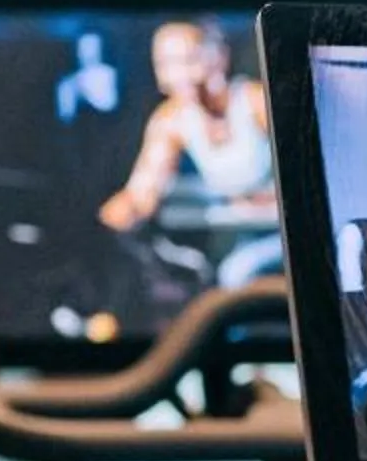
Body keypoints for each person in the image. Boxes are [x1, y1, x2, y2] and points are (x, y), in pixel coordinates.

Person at [97, 19, 281, 284]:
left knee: (236, 274)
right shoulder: (171, 118)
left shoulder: (255, 101)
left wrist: (266, 200)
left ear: (219, 57)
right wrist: (106, 224)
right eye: (166, 64)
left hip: (282, 233)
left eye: (188, 60)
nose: (177, 75)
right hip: (235, 236)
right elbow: (142, 193)